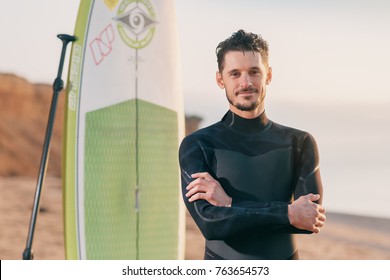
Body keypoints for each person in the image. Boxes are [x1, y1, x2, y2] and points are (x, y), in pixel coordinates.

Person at [178, 29, 326, 260]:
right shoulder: (198, 144)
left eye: (254, 72)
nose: (245, 82)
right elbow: (210, 223)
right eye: (235, 73)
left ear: (268, 75)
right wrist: (287, 213)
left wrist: (229, 204)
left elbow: (307, 220)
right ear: (220, 79)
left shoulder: (299, 142)